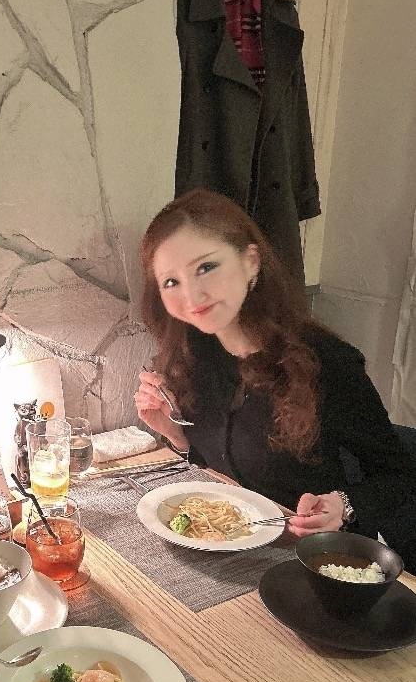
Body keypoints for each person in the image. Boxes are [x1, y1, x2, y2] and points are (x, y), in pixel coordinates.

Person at [135, 189, 416, 564]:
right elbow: (225, 470)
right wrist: (176, 435)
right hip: (233, 551)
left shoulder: (327, 362)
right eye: (171, 281)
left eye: (206, 267)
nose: (192, 295)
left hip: (315, 557)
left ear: (250, 262)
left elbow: (398, 476)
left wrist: (344, 505)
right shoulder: (195, 356)